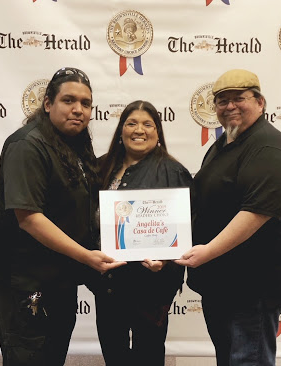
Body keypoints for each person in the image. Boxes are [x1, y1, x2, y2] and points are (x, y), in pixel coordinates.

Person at [0, 67, 124, 366]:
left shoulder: (73, 146)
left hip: (60, 279)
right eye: (69, 100)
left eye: (86, 104)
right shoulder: (28, 145)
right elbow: (29, 219)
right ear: (48, 103)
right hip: (26, 283)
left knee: (52, 357)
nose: (78, 110)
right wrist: (87, 257)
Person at [176, 69, 281, 366]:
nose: (229, 106)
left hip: (252, 287)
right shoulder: (223, 145)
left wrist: (207, 252)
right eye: (222, 101)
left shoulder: (267, 146)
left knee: (247, 360)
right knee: (229, 358)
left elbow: (256, 213)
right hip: (222, 283)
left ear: (260, 102)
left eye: (238, 99)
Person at [94, 100, 192, 366]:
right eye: (131, 123)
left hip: (150, 286)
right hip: (109, 284)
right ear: (121, 131)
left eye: (148, 124)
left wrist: (167, 261)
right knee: (113, 354)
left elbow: (187, 230)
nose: (139, 130)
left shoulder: (173, 172)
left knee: (148, 355)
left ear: (158, 133)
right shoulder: (101, 168)